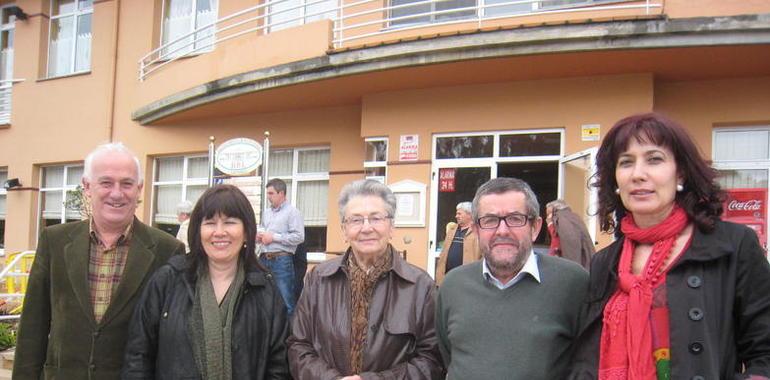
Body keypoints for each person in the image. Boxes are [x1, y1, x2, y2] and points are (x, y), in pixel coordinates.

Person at [569, 113, 770, 379]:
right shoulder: (605, 261)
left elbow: (764, 350)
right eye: (626, 163)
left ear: (681, 173)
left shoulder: (733, 245)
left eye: (654, 159)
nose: (638, 175)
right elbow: (587, 356)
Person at [13, 143, 185, 379]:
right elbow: (33, 327)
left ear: (139, 189)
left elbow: (172, 338)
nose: (117, 193)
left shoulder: (168, 250)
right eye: (106, 183)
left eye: (127, 183)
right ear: (87, 187)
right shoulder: (55, 241)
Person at [122, 184, 289, 379]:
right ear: (197, 231)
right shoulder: (168, 281)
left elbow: (279, 365)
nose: (219, 232)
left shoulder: (265, 289)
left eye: (230, 222)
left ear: (246, 231)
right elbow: (138, 356)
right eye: (210, 222)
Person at [288, 179, 444, 379]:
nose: (366, 228)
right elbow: (298, 346)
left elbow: (432, 360)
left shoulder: (420, 286)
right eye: (356, 220)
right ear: (344, 230)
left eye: (376, 218)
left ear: (392, 227)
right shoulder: (318, 279)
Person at [435, 177, 588, 379]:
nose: (502, 231)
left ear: (535, 227)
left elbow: (586, 365)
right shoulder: (452, 285)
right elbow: (447, 356)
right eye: (490, 220)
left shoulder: (573, 283)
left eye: (515, 219)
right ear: (476, 229)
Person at [258, 178, 304, 316]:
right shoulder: (267, 213)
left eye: (271, 193)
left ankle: (290, 336)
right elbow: (265, 232)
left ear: (281, 193)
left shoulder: (292, 212)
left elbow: (299, 237)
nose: (268, 197)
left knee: (286, 302)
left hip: (281, 261)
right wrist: (259, 237)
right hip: (264, 259)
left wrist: (274, 237)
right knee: (264, 299)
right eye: (267, 193)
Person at [435, 201, 481, 285]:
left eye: (459, 214)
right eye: (457, 214)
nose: (456, 216)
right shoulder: (452, 230)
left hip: (467, 280)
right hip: (447, 277)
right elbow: (444, 253)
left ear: (469, 214)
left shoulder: (478, 232)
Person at [545, 199, 595, 269]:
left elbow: (556, 240)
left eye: (549, 214)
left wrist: (550, 224)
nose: (547, 217)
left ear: (555, 210)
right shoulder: (574, 217)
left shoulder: (559, 219)